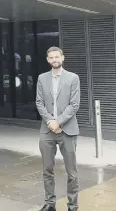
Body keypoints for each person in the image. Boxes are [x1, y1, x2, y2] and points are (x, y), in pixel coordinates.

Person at [35, 47, 80, 211]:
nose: (54, 59)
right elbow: (39, 103)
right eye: (51, 57)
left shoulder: (73, 78)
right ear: (48, 60)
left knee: (72, 172)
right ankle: (50, 204)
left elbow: (74, 105)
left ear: (62, 58)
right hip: (47, 131)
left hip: (67, 130)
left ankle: (73, 205)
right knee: (47, 170)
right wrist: (50, 122)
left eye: (57, 57)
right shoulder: (42, 78)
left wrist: (58, 122)